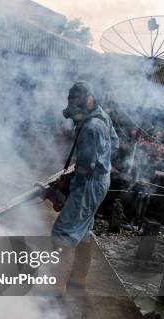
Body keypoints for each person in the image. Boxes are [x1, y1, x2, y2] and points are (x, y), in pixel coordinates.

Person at [49, 81, 119, 294]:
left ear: (87, 101)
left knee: (63, 232)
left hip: (89, 183)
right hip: (100, 181)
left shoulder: (92, 126)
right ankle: (79, 277)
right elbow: (114, 144)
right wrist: (103, 160)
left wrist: (65, 184)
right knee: (83, 230)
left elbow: (86, 166)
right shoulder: (101, 117)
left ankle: (56, 287)